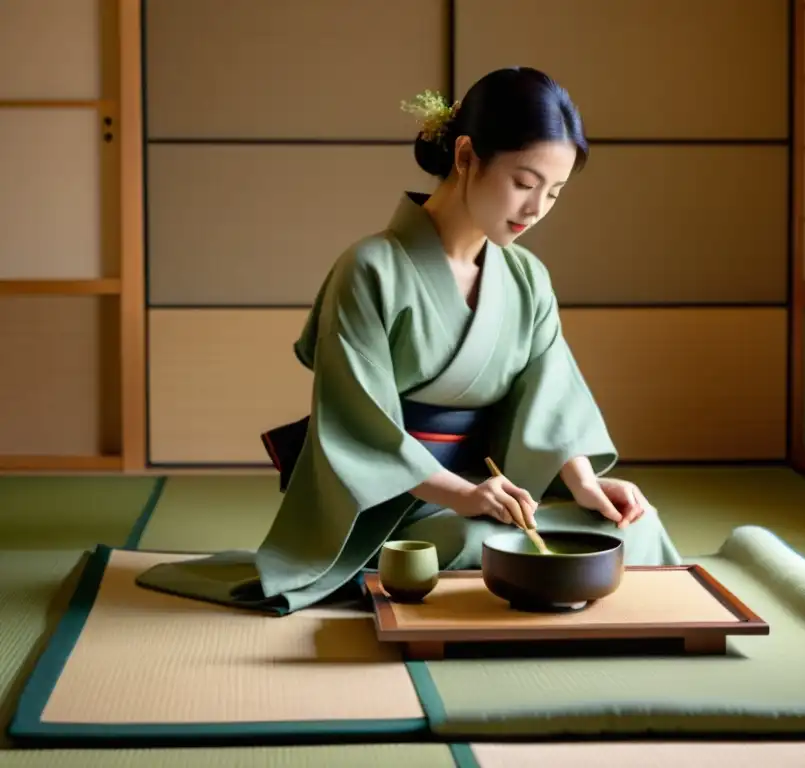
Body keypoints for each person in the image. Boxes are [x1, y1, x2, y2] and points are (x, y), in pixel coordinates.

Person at [135, 67, 683, 615]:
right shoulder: (370, 269)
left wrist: (584, 484)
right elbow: (358, 419)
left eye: (554, 193)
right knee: (480, 544)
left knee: (627, 527)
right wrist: (463, 494)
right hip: (398, 499)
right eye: (524, 182)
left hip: (497, 487)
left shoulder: (527, 277)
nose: (536, 208)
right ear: (466, 156)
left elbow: (552, 394)